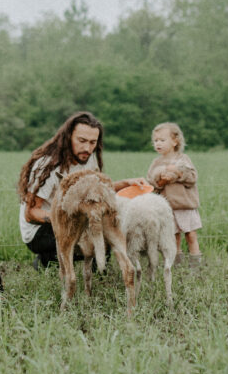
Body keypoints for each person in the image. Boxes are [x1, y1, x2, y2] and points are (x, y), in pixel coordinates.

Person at [17, 111, 143, 268]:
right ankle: (46, 261)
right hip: (40, 230)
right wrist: (68, 219)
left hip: (76, 219)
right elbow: (30, 214)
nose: (87, 148)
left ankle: (97, 278)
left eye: (92, 142)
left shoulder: (89, 158)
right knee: (78, 243)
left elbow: (98, 190)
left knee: (105, 237)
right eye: (82, 141)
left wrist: (127, 183)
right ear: (68, 136)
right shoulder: (47, 165)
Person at [147, 122, 203, 268]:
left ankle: (195, 266)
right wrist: (161, 181)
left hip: (185, 206)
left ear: (175, 141)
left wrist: (177, 173)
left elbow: (192, 178)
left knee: (191, 235)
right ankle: (177, 265)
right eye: (155, 141)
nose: (158, 143)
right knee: (174, 237)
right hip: (168, 208)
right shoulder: (156, 163)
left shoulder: (183, 160)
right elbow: (152, 184)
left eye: (162, 140)